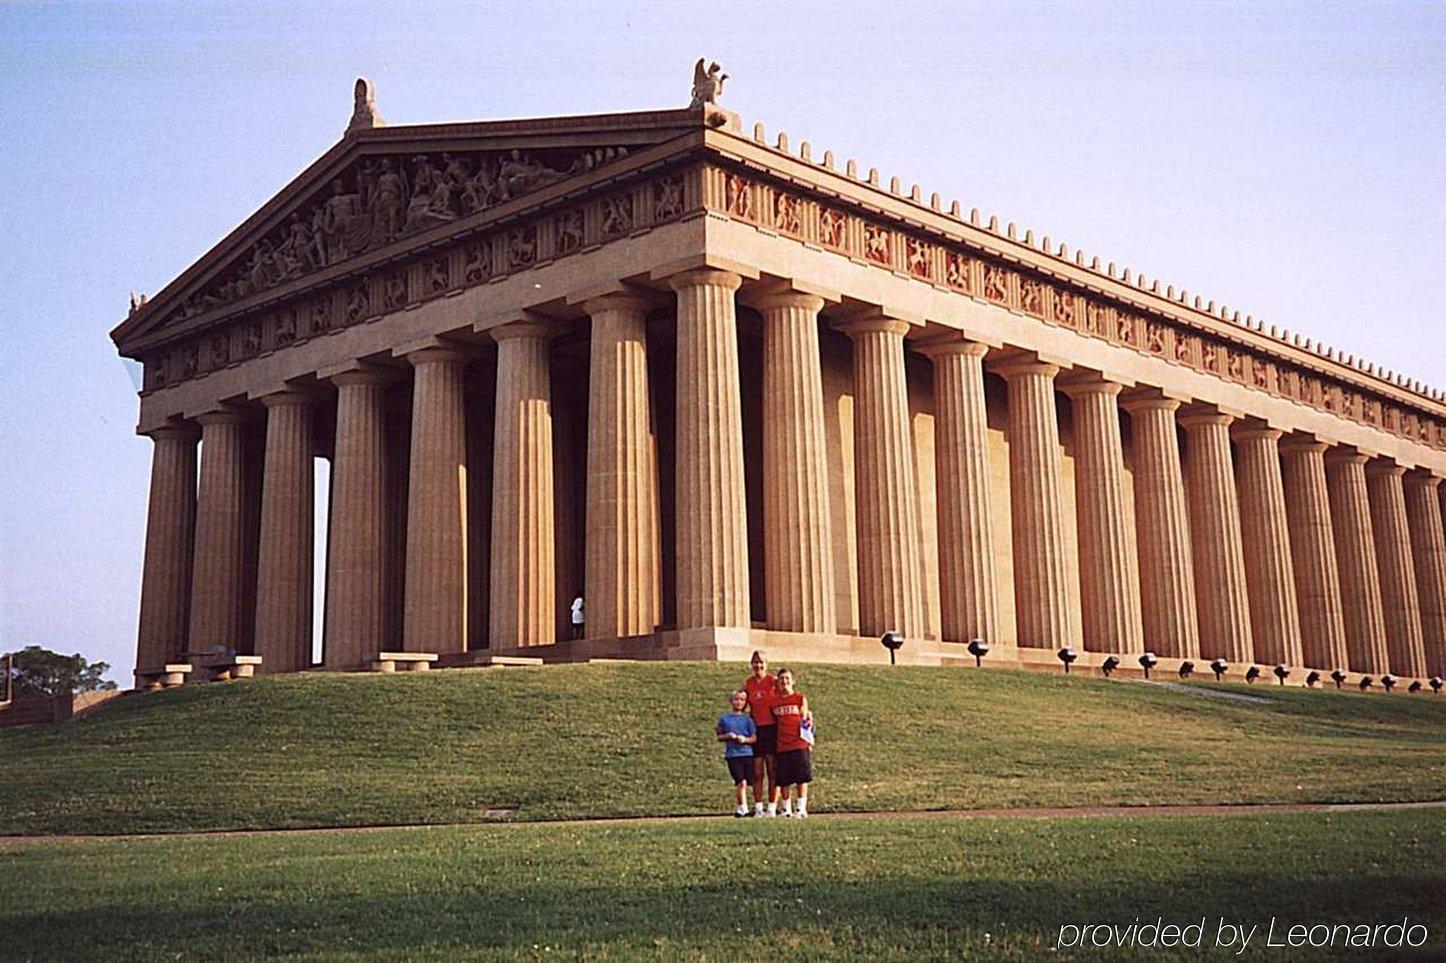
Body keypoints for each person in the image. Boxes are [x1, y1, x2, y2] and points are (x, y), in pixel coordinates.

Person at [769, 667, 813, 818]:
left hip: (799, 743)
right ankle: (786, 809)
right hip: (783, 744)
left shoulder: (800, 698)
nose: (784, 682)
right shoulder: (774, 702)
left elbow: (806, 719)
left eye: (787, 678)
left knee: (802, 778)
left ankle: (801, 808)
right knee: (784, 780)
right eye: (781, 679)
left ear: (793, 681)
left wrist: (809, 740)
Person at [742, 651, 778, 817]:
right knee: (757, 773)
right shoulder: (748, 684)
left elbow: (787, 696)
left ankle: (772, 807)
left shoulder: (773, 681)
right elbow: (740, 704)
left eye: (762, 662)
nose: (758, 666)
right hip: (756, 729)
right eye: (755, 662)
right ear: (751, 664)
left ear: (766, 664)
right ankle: (758, 808)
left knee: (773, 771)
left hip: (771, 728)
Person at [715, 690, 757, 817]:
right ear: (731, 701)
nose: (739, 702)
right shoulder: (725, 719)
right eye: (736, 699)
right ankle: (742, 808)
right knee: (741, 781)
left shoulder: (748, 720)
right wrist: (727, 736)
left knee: (751, 782)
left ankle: (755, 807)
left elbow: (754, 738)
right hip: (733, 755)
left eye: (742, 700)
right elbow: (719, 736)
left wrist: (745, 740)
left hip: (747, 754)